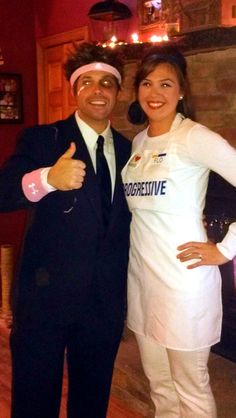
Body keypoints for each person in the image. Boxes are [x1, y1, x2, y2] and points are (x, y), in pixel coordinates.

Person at [0, 42, 131, 418]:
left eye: (107, 82)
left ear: (118, 92)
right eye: (87, 81)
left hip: (103, 306)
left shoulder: (129, 151)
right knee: (34, 403)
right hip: (45, 302)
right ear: (75, 90)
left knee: (91, 405)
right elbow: (4, 192)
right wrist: (47, 179)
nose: (98, 90)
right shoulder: (44, 139)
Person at [122, 45, 236, 418]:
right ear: (138, 90)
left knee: (190, 387)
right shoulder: (139, 143)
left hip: (183, 287)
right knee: (160, 386)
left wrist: (226, 248)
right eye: (148, 83)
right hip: (142, 283)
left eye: (166, 84)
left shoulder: (193, 137)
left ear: (181, 91)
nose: (155, 93)